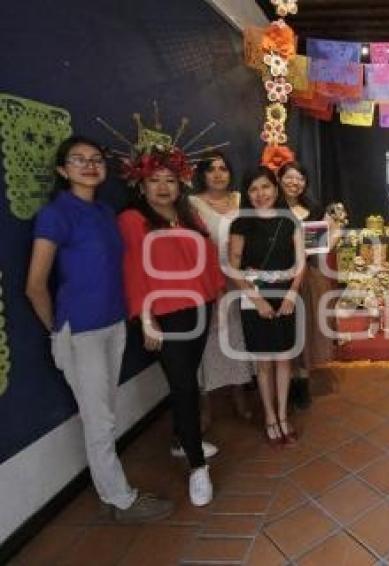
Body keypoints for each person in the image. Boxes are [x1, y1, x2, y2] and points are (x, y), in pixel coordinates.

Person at [26, 135, 174, 523]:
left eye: (96, 159)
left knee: (105, 413)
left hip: (113, 324)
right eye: (79, 159)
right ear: (63, 170)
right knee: (100, 419)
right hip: (81, 333)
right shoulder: (56, 214)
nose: (90, 165)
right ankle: (120, 500)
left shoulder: (106, 212)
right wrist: (59, 333)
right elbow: (35, 284)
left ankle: (115, 490)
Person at [118, 146, 224, 507]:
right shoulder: (133, 220)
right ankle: (197, 467)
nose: (163, 187)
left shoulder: (189, 213)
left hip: (199, 306)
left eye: (169, 180)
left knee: (188, 379)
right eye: (154, 180)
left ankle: (183, 440)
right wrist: (146, 317)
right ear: (141, 184)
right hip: (165, 315)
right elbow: (133, 271)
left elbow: (209, 259)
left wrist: (217, 299)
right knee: (182, 386)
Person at [229, 166, 305, 445]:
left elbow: (300, 263)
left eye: (265, 187)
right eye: (253, 189)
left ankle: (284, 415)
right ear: (247, 194)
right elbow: (234, 267)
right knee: (264, 363)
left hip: (286, 296)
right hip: (254, 298)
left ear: (275, 187)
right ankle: (270, 416)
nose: (261, 194)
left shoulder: (290, 220)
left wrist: (291, 295)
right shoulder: (241, 223)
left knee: (285, 359)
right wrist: (257, 301)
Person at [188, 152, 253, 430]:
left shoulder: (242, 199)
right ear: (202, 174)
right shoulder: (192, 204)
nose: (218, 174)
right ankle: (206, 405)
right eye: (211, 169)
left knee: (238, 339)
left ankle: (240, 395)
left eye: (223, 168)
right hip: (210, 282)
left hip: (243, 279)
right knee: (210, 342)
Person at [278, 161, 339, 408]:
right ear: (279, 179)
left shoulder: (313, 209)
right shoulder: (271, 207)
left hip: (309, 275)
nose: (295, 182)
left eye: (300, 178)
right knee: (285, 328)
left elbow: (330, 235)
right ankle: (286, 379)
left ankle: (301, 381)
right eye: (290, 177)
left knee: (306, 327)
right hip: (281, 275)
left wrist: (326, 242)